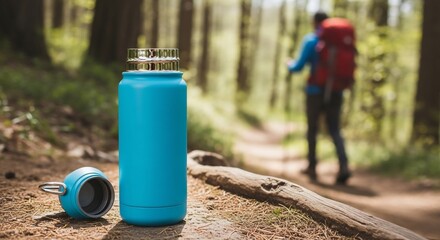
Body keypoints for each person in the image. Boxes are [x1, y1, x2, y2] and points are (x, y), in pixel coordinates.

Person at [286, 11, 351, 184]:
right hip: (336, 91)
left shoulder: (311, 40)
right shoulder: (339, 43)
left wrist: (289, 65)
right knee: (334, 129)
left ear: (315, 22)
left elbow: (298, 67)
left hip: (315, 92)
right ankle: (344, 166)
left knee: (312, 128)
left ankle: (312, 167)